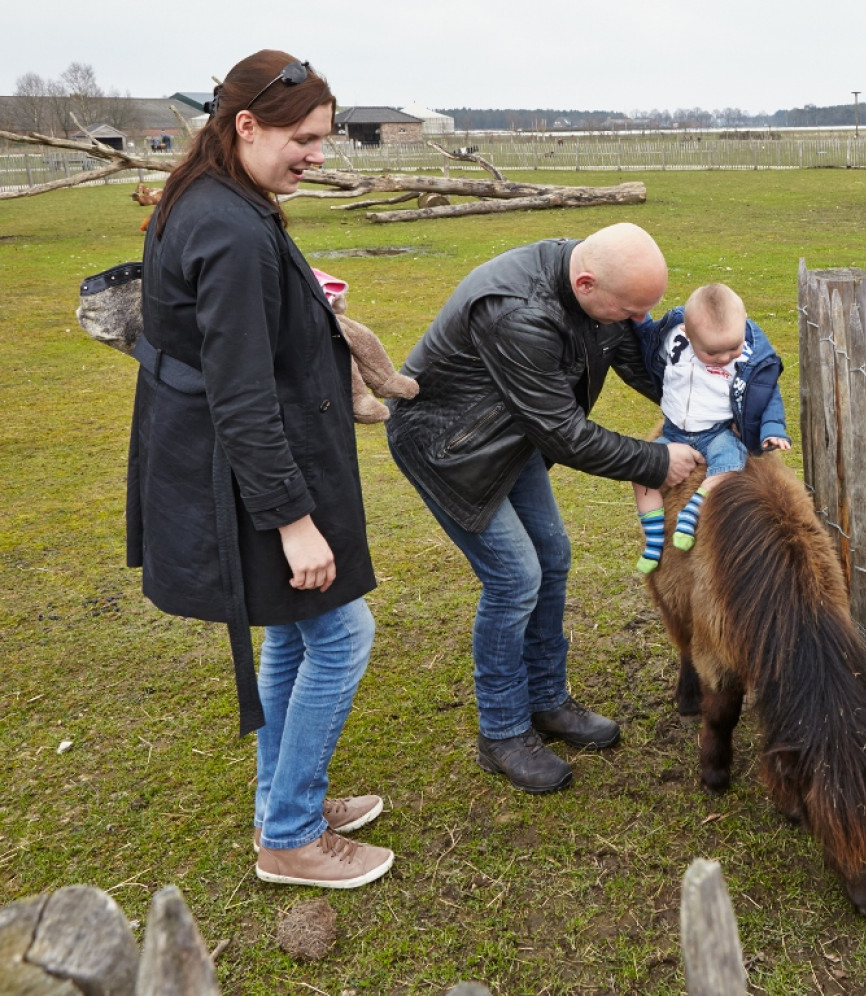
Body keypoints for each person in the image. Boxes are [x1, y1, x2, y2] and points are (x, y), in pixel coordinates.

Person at [128, 49, 393, 889]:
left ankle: (287, 803)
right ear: (246, 125)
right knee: (344, 634)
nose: (319, 153)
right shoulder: (230, 226)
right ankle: (288, 835)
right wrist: (294, 521)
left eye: (324, 137)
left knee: (291, 630)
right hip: (243, 468)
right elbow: (240, 395)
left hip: (244, 455)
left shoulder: (220, 197)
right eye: (305, 138)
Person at [386, 222, 702, 794]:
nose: (637, 321)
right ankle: (502, 732)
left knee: (552, 555)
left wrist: (708, 408)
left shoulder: (597, 291)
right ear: (585, 284)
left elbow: (638, 362)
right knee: (515, 577)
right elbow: (564, 433)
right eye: (630, 309)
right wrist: (656, 462)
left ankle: (547, 700)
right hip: (450, 446)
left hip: (509, 432)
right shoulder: (517, 313)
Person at [630, 283, 790, 573]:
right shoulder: (674, 340)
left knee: (729, 466)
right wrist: (641, 319)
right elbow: (648, 338)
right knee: (642, 472)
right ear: (688, 335)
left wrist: (772, 429)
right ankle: (654, 539)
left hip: (717, 433)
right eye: (714, 352)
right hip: (675, 432)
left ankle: (694, 509)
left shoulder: (746, 359)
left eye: (733, 346)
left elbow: (766, 394)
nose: (725, 357)